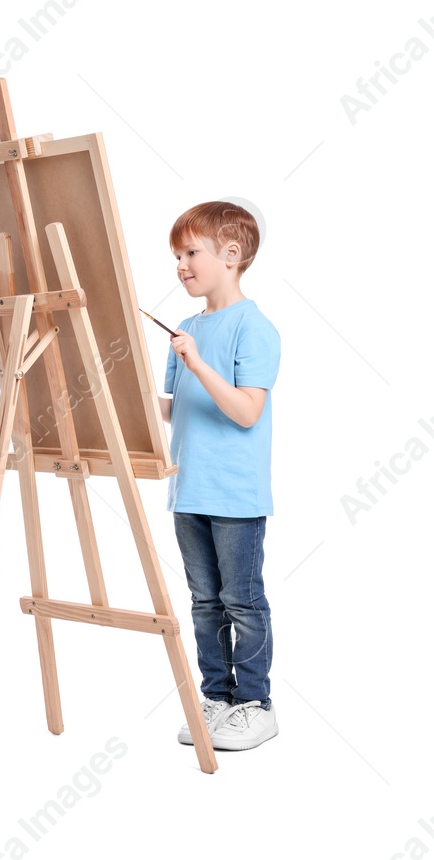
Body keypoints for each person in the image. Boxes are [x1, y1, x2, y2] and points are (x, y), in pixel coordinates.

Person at [158, 200, 280, 751]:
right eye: (176, 255)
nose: (181, 264)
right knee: (204, 602)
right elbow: (175, 405)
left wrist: (198, 362)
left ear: (231, 256)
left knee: (242, 603)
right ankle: (218, 699)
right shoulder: (185, 327)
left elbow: (246, 411)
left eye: (191, 252)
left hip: (235, 495)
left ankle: (255, 703)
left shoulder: (254, 328)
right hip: (188, 490)